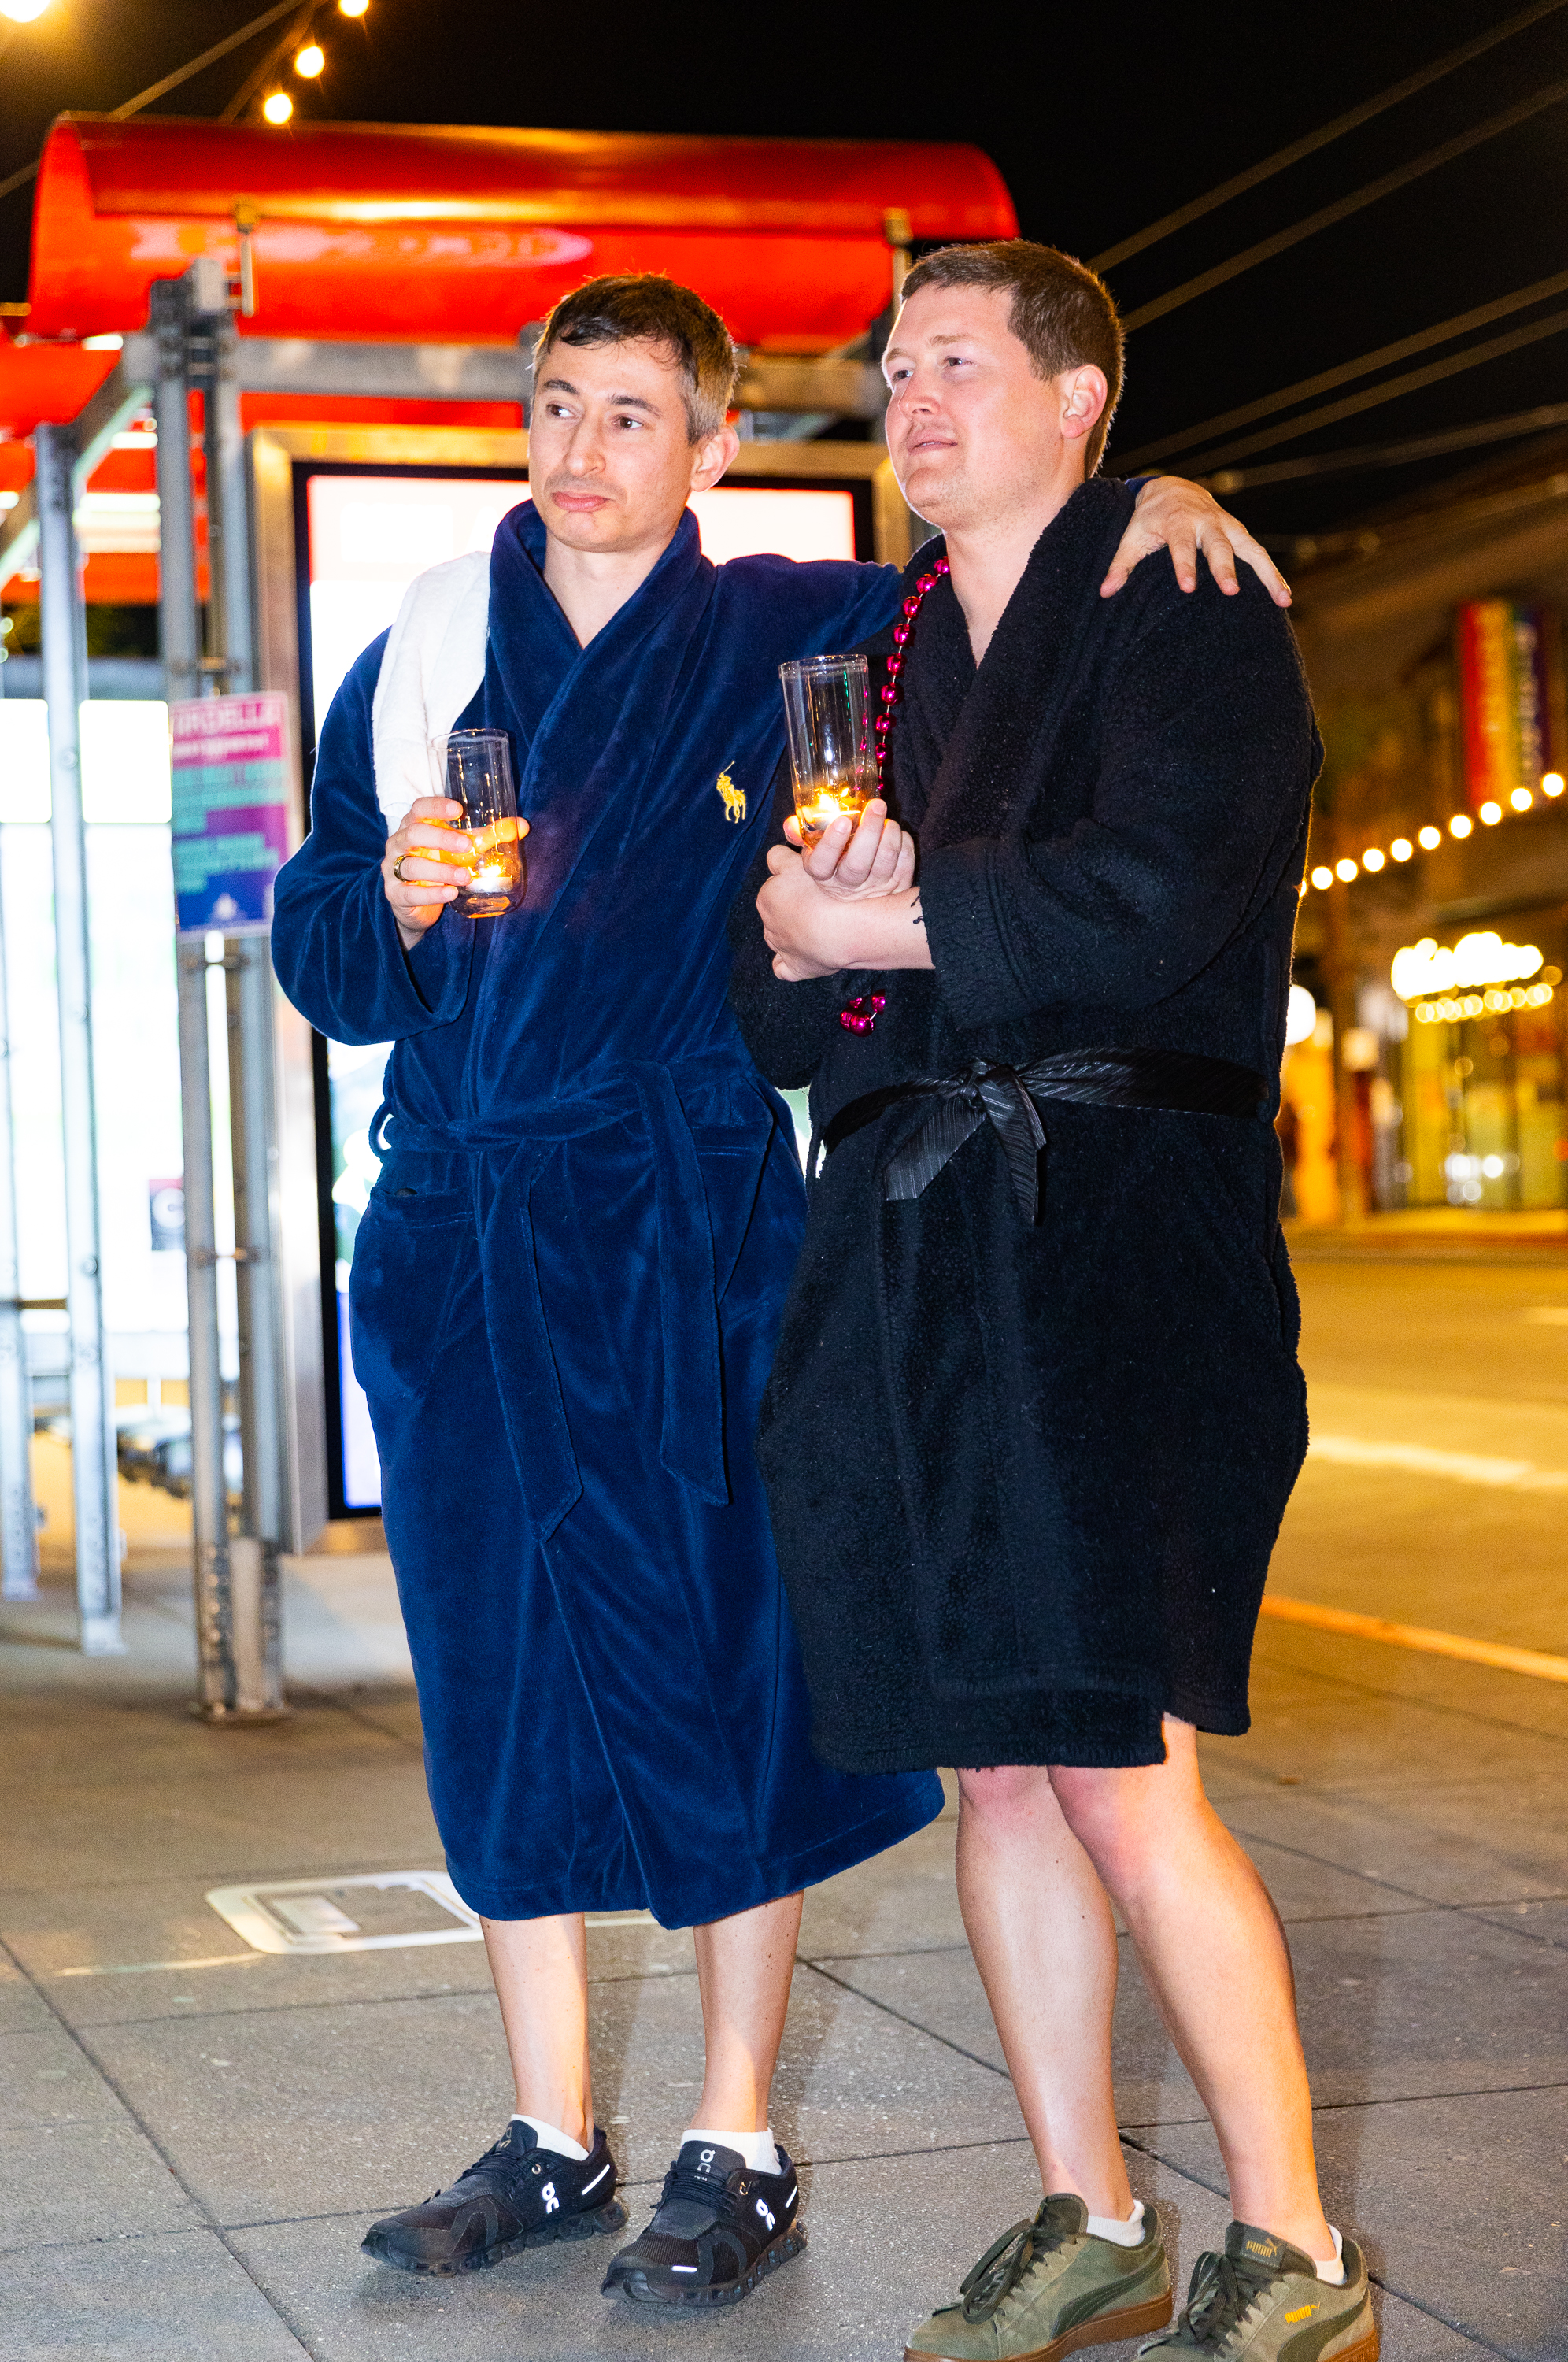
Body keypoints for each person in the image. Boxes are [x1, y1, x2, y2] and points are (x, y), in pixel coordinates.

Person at [271, 268, 1288, 2316]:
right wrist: (367, 906)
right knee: (495, 1674)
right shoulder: (412, 655)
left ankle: (736, 2134)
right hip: (466, 1231)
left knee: (725, 1672)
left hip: (689, 1228)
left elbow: (1003, 551)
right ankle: (554, 2130)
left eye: (636, 415)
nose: (583, 450)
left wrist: (1152, 488)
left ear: (718, 448)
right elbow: (323, 946)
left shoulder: (785, 630)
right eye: (558, 407)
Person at [730, 241, 1378, 2362]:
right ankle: (1091, 2209)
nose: (911, 397)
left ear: (1085, 402)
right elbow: (788, 986)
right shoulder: (888, 645)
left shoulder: (1185, 604)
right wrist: (802, 949)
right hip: (915, 1241)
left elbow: (1156, 899)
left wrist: (891, 923)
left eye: (959, 362)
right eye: (892, 367)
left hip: (1118, 1231)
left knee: (1119, 1755)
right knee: (989, 1769)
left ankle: (1293, 2244)